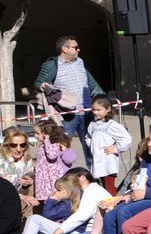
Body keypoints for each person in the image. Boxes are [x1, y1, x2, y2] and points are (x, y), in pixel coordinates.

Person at [6, 167, 101, 234]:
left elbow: (47, 215)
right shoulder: (69, 201)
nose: (56, 192)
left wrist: (53, 199)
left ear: (67, 191)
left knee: (34, 219)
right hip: (65, 230)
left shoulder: (67, 204)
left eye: (59, 190)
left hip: (69, 232)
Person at [35, 35, 105, 163]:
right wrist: (42, 85)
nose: (78, 50)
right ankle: (64, 179)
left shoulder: (80, 62)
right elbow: (38, 82)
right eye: (75, 47)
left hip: (87, 112)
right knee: (63, 148)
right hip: (67, 115)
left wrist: (101, 97)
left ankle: (93, 179)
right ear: (64, 49)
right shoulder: (52, 64)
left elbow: (90, 82)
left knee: (91, 148)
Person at [83, 96, 132, 195]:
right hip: (97, 161)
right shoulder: (93, 124)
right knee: (101, 187)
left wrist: (116, 148)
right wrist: (92, 147)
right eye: (93, 109)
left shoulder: (111, 125)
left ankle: (113, 206)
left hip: (108, 162)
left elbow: (126, 139)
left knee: (109, 187)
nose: (95, 112)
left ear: (108, 109)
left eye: (98, 110)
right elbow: (87, 137)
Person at [29, 119, 77, 205]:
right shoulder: (42, 145)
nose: (35, 135)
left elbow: (52, 156)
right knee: (46, 200)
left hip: (52, 178)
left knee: (54, 197)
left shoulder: (54, 144)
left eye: (37, 133)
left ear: (46, 134)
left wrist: (47, 141)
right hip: (43, 177)